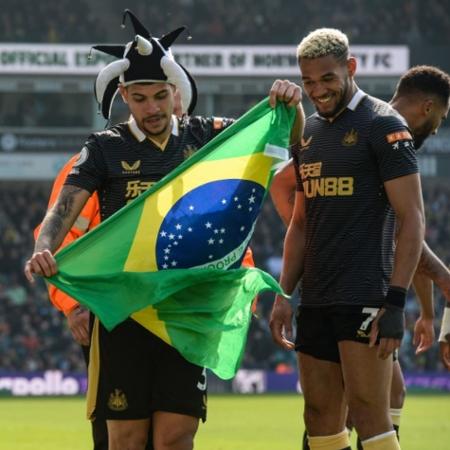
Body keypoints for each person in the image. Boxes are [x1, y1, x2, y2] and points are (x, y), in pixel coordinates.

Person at [24, 10, 303, 450]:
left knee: (176, 439)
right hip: (123, 313)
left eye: (159, 96)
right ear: (124, 95)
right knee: (127, 441)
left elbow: (279, 143)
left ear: (175, 91)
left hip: (185, 314)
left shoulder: (207, 137)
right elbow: (63, 208)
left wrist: (292, 107)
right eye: (140, 98)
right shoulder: (104, 148)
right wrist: (43, 248)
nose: (152, 108)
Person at [270, 64, 450, 448]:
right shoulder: (375, 127)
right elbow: (284, 182)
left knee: (382, 400)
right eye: (441, 119)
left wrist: (428, 309)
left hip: (369, 287)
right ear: (430, 107)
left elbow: (405, 232)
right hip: (346, 286)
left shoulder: (384, 132)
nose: (436, 129)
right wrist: (320, 230)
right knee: (344, 411)